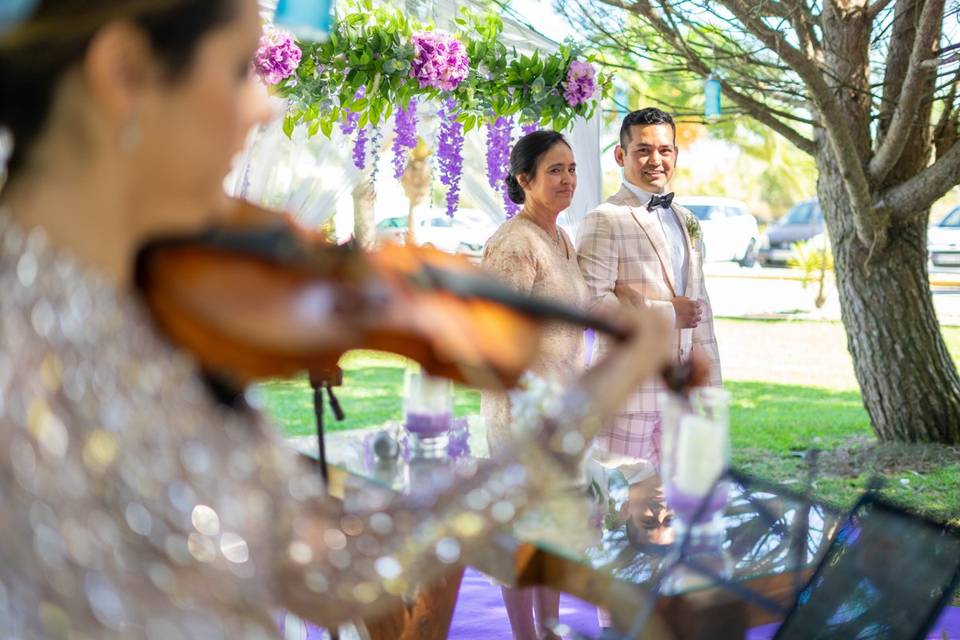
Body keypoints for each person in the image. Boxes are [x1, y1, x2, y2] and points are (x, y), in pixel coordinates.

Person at [0, 2, 675, 638]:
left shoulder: (152, 316)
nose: (262, 105)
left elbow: (333, 569)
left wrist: (587, 405)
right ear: (125, 71)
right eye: (240, 69)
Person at [481, 130, 588, 640]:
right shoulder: (514, 242)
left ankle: (548, 632)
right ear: (524, 180)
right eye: (554, 170)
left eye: (570, 168)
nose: (567, 178)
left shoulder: (562, 238)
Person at [577, 107, 723, 465]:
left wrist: (711, 391)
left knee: (676, 508)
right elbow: (590, 304)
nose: (655, 159)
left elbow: (700, 310)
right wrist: (667, 313)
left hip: (683, 397)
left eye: (665, 150)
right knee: (628, 510)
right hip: (630, 395)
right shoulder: (604, 219)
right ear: (620, 155)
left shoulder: (687, 220)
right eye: (643, 150)